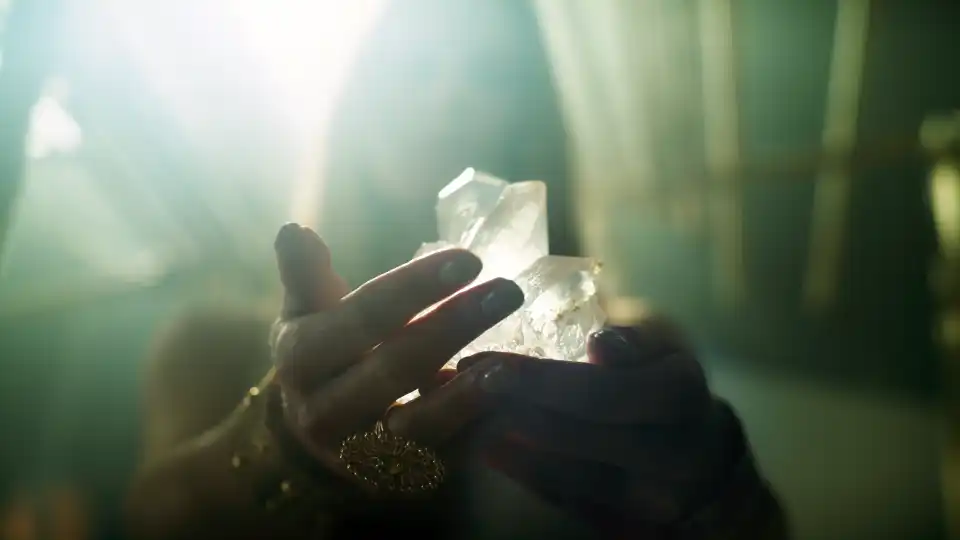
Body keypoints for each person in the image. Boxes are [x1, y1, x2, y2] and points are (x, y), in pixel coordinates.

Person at [126, 223, 786, 539]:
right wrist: (287, 450)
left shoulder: (632, 350)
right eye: (418, 69)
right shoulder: (212, 342)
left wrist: (719, 494)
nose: (454, 99)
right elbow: (149, 525)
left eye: (496, 78)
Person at [318, 0, 577, 286]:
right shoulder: (272, 330)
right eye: (413, 69)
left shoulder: (608, 331)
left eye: (491, 75)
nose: (447, 100)